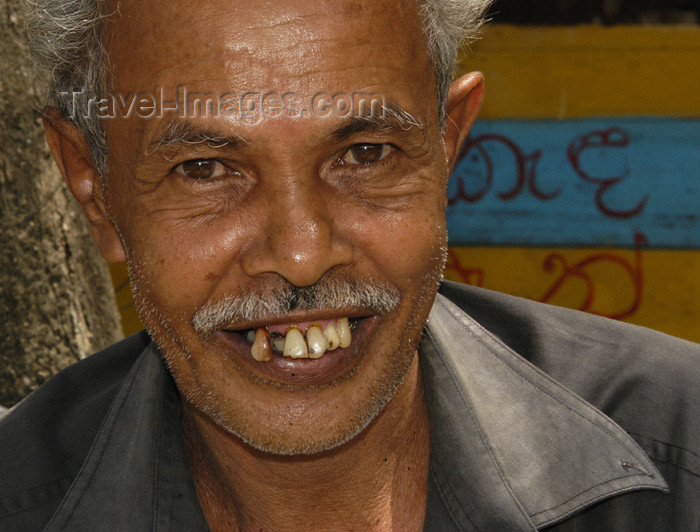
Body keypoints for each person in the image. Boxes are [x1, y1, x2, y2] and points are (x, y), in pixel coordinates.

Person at [1, 0, 698, 530]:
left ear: (447, 143)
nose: (303, 255)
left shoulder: (679, 458)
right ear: (94, 189)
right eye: (205, 169)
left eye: (365, 154)